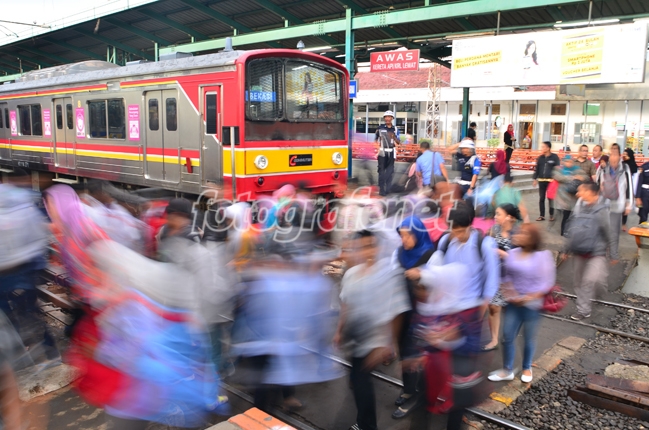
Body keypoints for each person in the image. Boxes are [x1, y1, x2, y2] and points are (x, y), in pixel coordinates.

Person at [404, 201, 499, 429]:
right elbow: (435, 269)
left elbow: (492, 279)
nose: (456, 234)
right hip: (445, 313)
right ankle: (434, 403)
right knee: (435, 364)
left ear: (470, 225)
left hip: (470, 315)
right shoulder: (446, 241)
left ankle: (455, 417)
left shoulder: (484, 244)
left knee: (462, 372)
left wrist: (482, 309)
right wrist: (421, 275)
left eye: (460, 230)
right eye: (453, 229)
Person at [335, 230, 410, 430]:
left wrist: (388, 344)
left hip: (374, 341)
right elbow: (345, 305)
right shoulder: (351, 274)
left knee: (362, 385)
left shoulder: (389, 274)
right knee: (358, 383)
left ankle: (366, 425)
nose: (367, 251)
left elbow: (397, 312)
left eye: (370, 245)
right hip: (354, 338)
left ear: (378, 247)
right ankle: (364, 422)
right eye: (362, 247)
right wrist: (339, 331)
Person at [488, 223, 554, 383]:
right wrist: (510, 293)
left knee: (528, 338)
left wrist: (529, 297)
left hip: (533, 306)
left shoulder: (543, 256)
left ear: (533, 238)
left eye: (523, 233)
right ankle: (507, 370)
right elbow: (505, 276)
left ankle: (526, 367)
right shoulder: (512, 253)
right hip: (514, 304)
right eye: (518, 232)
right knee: (507, 336)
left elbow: (547, 282)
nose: (517, 235)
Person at [391, 216, 435, 419]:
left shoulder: (431, 255)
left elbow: (437, 284)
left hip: (423, 313)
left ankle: (421, 395)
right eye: (401, 236)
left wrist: (421, 276)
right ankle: (409, 389)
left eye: (408, 235)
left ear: (418, 234)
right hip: (402, 310)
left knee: (416, 353)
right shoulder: (400, 253)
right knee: (404, 350)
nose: (404, 240)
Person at [563, 183, 613, 321]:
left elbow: (608, 231)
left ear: (590, 192)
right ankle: (583, 310)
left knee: (592, 280)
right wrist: (566, 249)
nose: (578, 193)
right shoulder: (579, 207)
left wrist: (612, 252)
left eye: (581, 191)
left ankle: (599, 292)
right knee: (579, 282)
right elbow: (572, 229)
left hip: (597, 251)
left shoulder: (602, 209)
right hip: (579, 249)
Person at [483, 204, 521, 352]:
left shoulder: (518, 234)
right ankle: (494, 340)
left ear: (509, 217)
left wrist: (503, 254)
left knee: (511, 309)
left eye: (499, 214)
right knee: (493, 307)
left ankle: (510, 337)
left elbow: (525, 259)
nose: (495, 217)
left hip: (511, 278)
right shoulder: (493, 230)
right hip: (494, 275)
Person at [595, 145, 632, 262]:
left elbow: (629, 186)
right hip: (604, 202)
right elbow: (597, 180)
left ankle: (614, 255)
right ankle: (601, 253)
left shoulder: (625, 167)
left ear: (620, 155)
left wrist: (629, 203)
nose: (613, 157)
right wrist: (600, 169)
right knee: (602, 229)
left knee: (614, 232)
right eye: (612, 154)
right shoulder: (604, 166)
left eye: (616, 154)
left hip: (617, 203)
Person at [554, 154, 587, 236]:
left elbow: (585, 177)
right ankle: (563, 231)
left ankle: (571, 230)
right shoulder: (559, 169)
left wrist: (581, 177)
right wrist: (572, 177)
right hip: (563, 196)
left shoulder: (577, 169)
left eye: (570, 161)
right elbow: (558, 177)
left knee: (572, 215)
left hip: (574, 197)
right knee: (565, 215)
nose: (569, 163)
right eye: (567, 161)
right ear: (564, 162)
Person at [533, 141, 560, 222]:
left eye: (543, 147)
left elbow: (557, 168)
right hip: (541, 181)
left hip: (551, 182)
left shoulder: (554, 157)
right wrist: (535, 179)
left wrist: (556, 178)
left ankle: (551, 215)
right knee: (541, 198)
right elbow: (537, 169)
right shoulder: (540, 158)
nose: (542, 148)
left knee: (550, 198)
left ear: (548, 148)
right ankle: (542, 215)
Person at [375, 110, 400, 196]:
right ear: (384, 118)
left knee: (390, 171)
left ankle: (388, 188)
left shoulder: (395, 129)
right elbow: (375, 140)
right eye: (386, 117)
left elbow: (398, 142)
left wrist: (393, 137)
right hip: (382, 151)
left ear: (392, 118)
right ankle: (381, 189)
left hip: (391, 151)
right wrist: (378, 149)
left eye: (389, 117)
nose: (387, 118)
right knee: (381, 171)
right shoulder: (380, 128)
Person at [622, 148, 639, 230]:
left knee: (626, 205)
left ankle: (623, 223)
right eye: (624, 154)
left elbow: (635, 179)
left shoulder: (634, 167)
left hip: (629, 188)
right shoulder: (622, 165)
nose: (624, 156)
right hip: (621, 186)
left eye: (626, 154)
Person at [637, 158, 649, 224]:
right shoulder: (644, 167)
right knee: (643, 215)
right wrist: (638, 197)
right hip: (645, 193)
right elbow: (639, 182)